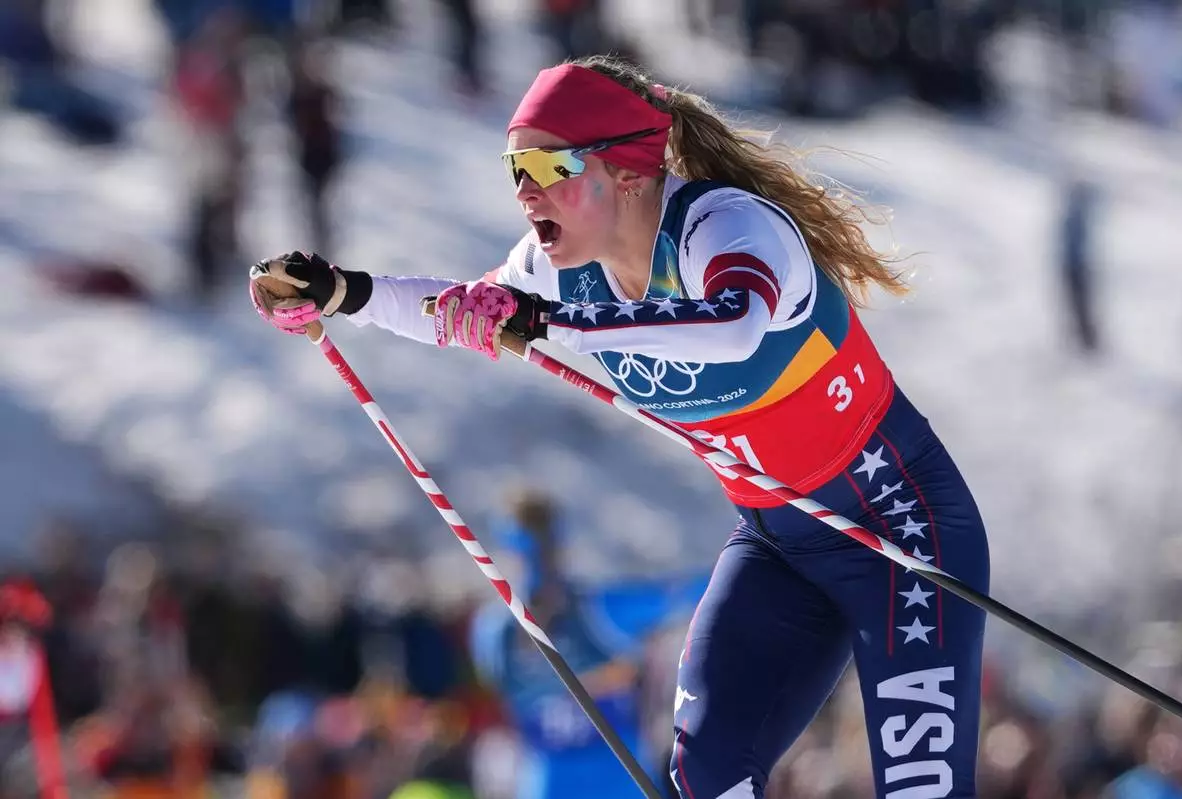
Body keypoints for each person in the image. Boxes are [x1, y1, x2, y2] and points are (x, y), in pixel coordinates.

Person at [249, 55, 992, 799]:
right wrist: (343, 291)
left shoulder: (726, 225)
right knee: (706, 776)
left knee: (921, 789)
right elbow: (457, 310)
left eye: (546, 165)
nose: (526, 191)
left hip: (899, 528)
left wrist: (551, 320)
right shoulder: (555, 268)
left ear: (629, 172)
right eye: (514, 169)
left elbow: (735, 324)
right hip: (781, 544)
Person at [468, 489, 653, 799]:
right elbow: (507, 690)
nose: (537, 566)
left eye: (545, 552)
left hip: (621, 776)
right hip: (551, 779)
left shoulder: (599, 609)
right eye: (525, 553)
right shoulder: (494, 630)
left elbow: (685, 595)